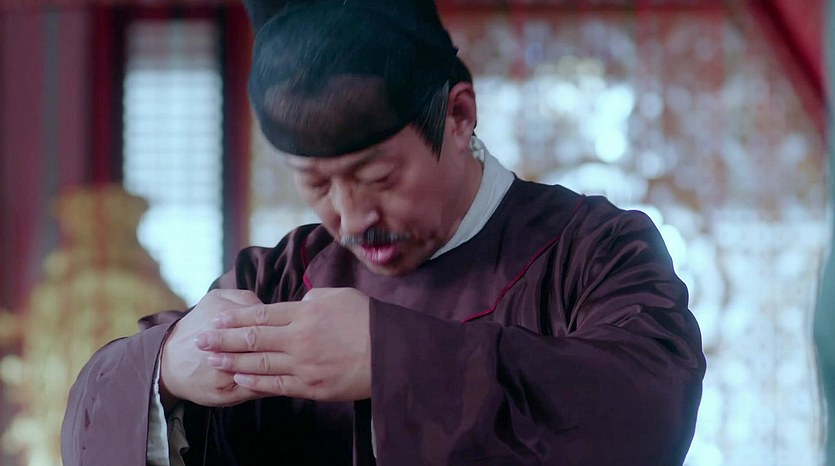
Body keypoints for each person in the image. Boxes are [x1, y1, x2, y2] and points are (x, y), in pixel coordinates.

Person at [61, 0, 706, 464]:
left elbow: (648, 411)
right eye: (317, 184)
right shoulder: (280, 278)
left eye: (378, 177)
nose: (351, 218)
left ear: (459, 115)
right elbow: (93, 419)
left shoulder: (591, 250)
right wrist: (168, 367)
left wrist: (389, 358)